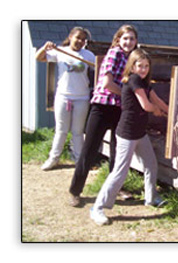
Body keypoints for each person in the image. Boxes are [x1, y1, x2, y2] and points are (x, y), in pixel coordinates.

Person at [90, 49, 168, 226]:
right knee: (120, 172)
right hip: (127, 133)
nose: (143, 69)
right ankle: (97, 208)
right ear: (132, 67)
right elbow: (147, 105)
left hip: (140, 133)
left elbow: (157, 100)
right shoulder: (133, 80)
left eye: (146, 66)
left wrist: (170, 112)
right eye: (140, 66)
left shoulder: (144, 82)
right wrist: (157, 111)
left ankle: (151, 198)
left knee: (150, 164)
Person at [68, 25, 138, 207]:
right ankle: (75, 191)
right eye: (125, 38)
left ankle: (115, 188)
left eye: (131, 38)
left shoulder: (133, 58)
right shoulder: (114, 53)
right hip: (102, 106)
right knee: (89, 149)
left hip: (119, 109)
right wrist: (127, 95)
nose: (128, 42)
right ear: (118, 39)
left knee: (118, 150)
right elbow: (107, 83)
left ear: (136, 41)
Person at [36, 27, 95, 171]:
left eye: (83, 39)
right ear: (70, 37)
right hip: (63, 96)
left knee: (78, 131)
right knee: (61, 130)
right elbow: (39, 57)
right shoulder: (60, 52)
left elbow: (98, 69)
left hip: (82, 97)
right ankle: (53, 158)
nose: (80, 41)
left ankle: (78, 159)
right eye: (77, 38)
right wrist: (45, 47)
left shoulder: (88, 55)